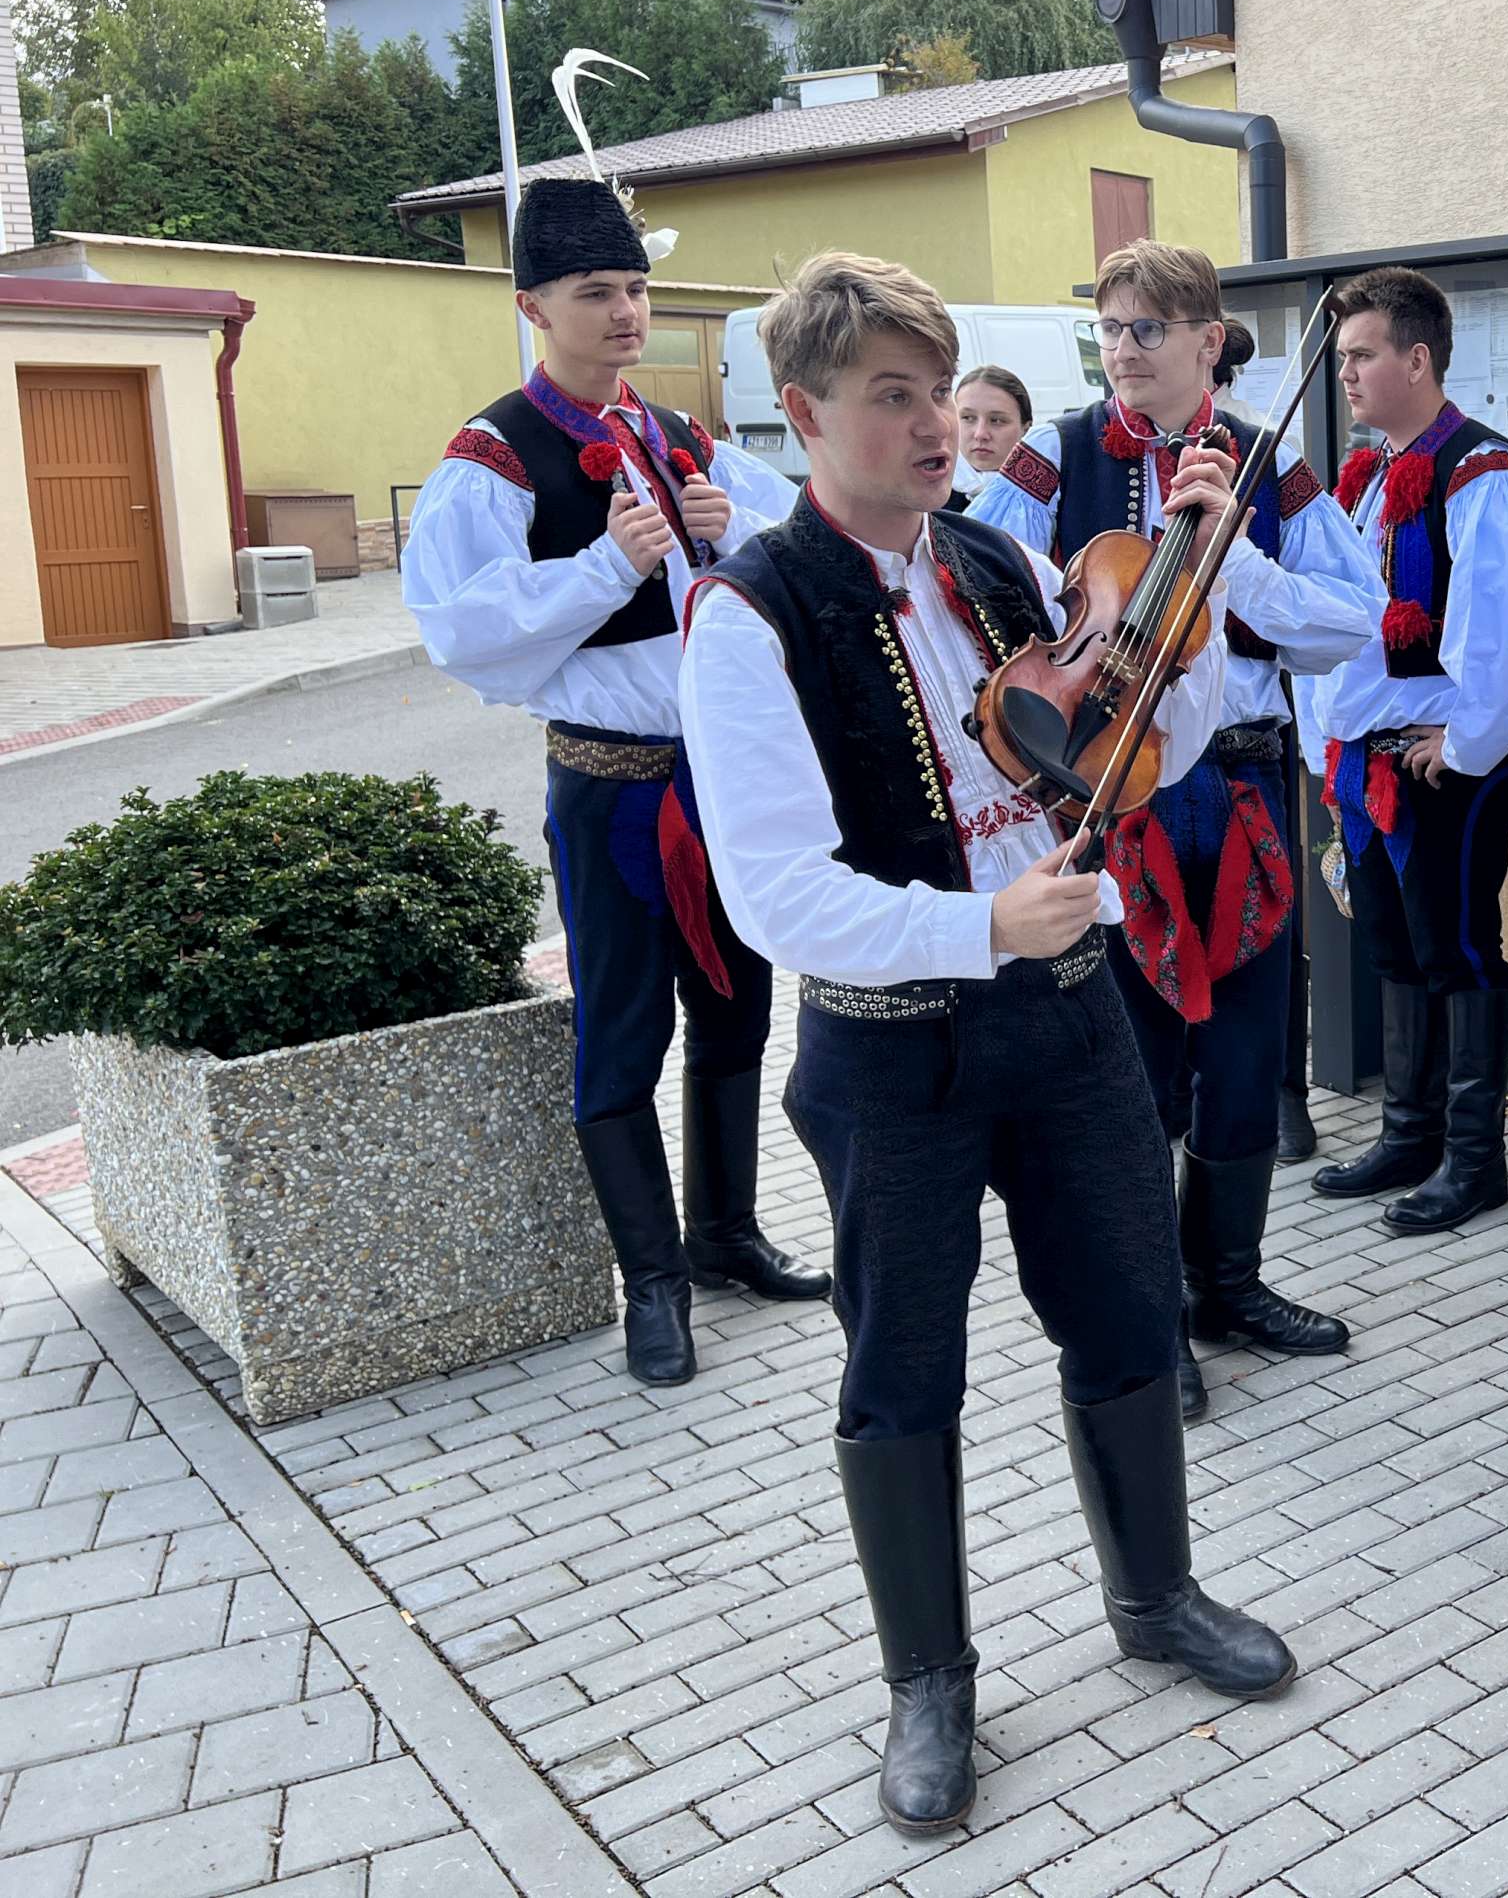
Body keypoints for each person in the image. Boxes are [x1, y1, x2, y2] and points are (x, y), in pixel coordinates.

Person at [680, 252, 1294, 1838]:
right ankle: (929, 1679)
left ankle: (1155, 1595)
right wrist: (979, 927)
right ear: (804, 411)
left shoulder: (1005, 561)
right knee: (902, 1362)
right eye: (892, 396)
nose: (932, 423)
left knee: (1127, 1306)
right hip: (893, 1047)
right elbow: (772, 895)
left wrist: (1193, 597)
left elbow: (1148, 741)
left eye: (938, 390)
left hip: (1072, 1013)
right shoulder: (750, 613)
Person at [402, 175, 821, 1389]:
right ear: (534, 306)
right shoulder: (494, 456)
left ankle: (725, 1234)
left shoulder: (680, 435)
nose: (627, 312)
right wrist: (601, 566)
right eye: (597, 292)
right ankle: (652, 1284)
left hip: (715, 779)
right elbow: (460, 630)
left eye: (636, 288)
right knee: (624, 1032)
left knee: (737, 1007)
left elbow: (797, 542)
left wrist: (732, 532)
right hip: (612, 787)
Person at [975, 247, 1380, 1424]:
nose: (1124, 349)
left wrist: (1236, 561)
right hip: (1114, 790)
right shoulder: (1058, 453)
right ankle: (1150, 1311)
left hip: (1243, 780)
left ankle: (1229, 1284)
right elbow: (978, 580)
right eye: (1110, 328)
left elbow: (1351, 620)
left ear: (1210, 340)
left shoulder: (1270, 459)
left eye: (1148, 328)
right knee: (1135, 1073)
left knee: (1246, 1056)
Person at [1301, 265, 1508, 1236]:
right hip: (1370, 762)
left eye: (1361, 355)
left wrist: (1466, 739)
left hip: (1442, 767)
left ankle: (1475, 1162)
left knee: (1459, 950)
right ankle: (1409, 1134)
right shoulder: (1370, 476)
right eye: (1342, 357)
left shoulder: (1482, 472)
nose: (1345, 374)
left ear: (1418, 359)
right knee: (1394, 947)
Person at [948, 365, 1031, 504]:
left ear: (1025, 430)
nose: (980, 434)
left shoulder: (1047, 499)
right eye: (968, 418)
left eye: (997, 420)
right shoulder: (927, 494)